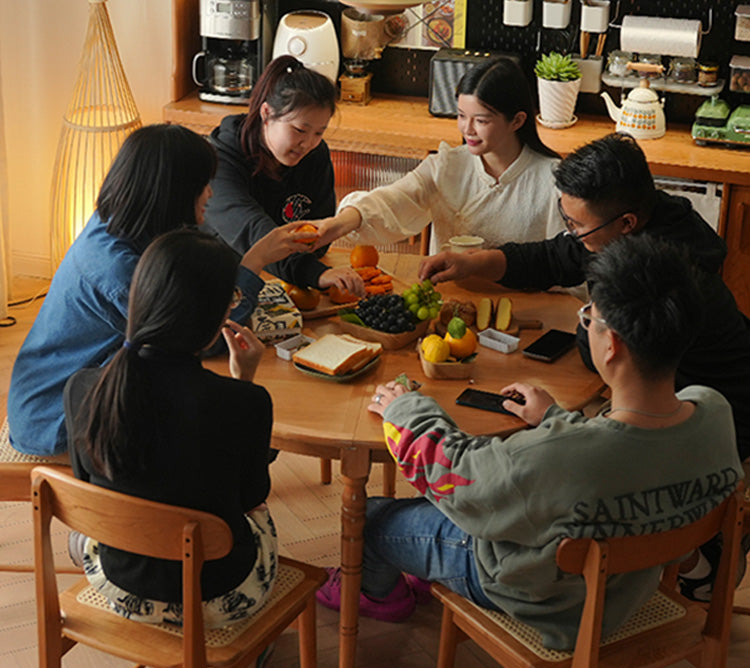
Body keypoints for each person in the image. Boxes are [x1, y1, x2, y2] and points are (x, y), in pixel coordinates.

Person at [316, 236, 743, 650]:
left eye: (588, 316)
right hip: (632, 586)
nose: (586, 322)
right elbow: (617, 450)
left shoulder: (559, 457)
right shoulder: (713, 411)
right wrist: (555, 418)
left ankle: (381, 599)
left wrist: (406, 410)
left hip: (551, 601)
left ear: (610, 344)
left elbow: (457, 477)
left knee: (371, 519)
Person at [419, 132, 750, 464]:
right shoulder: (637, 222)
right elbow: (553, 258)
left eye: (577, 225)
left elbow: (602, 357)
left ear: (626, 224)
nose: (572, 233)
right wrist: (472, 262)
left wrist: (555, 416)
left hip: (710, 428)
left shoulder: (658, 278)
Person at [7, 123, 313, 458]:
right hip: (58, 416)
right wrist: (254, 263)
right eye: (203, 185)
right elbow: (204, 338)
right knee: (246, 431)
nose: (210, 194)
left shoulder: (124, 222)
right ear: (173, 192)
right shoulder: (120, 269)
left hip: (89, 384)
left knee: (240, 424)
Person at [64, 228, 276, 668]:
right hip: (215, 594)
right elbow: (252, 498)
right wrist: (244, 383)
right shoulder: (243, 403)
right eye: (232, 296)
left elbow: (87, 483)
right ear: (213, 315)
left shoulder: (85, 388)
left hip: (118, 582)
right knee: (261, 515)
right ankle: (245, 651)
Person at [312, 57, 564, 254]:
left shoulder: (553, 180)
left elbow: (566, 268)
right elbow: (394, 199)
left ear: (517, 121)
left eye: (481, 120)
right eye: (462, 116)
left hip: (523, 312)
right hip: (447, 305)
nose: (467, 129)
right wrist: (341, 223)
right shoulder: (448, 166)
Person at [204, 54, 364, 296]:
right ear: (267, 114)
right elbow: (255, 235)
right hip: (218, 282)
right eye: (300, 130)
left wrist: (312, 261)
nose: (308, 143)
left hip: (284, 281)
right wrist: (315, 274)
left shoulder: (314, 154)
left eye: (319, 132)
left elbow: (318, 234)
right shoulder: (221, 159)